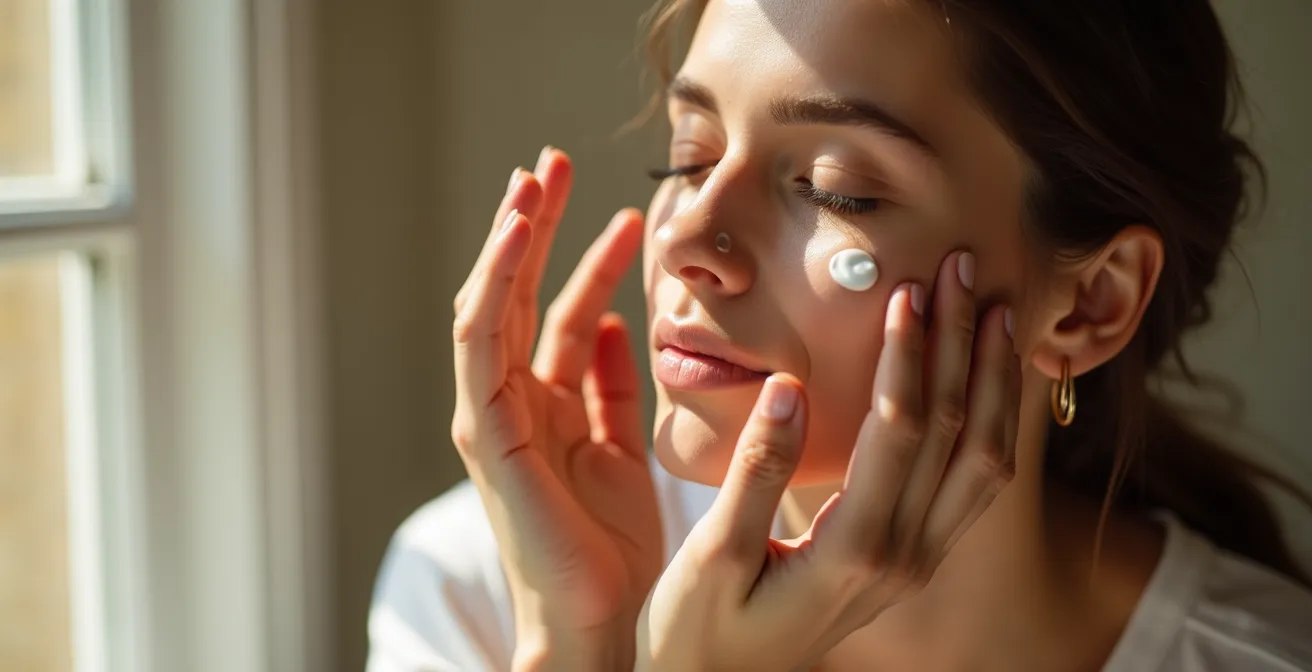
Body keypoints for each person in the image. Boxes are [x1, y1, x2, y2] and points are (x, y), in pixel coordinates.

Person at [367, 1, 1312, 670]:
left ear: (1092, 303)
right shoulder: (490, 588)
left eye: (832, 188)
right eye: (689, 156)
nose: (688, 238)